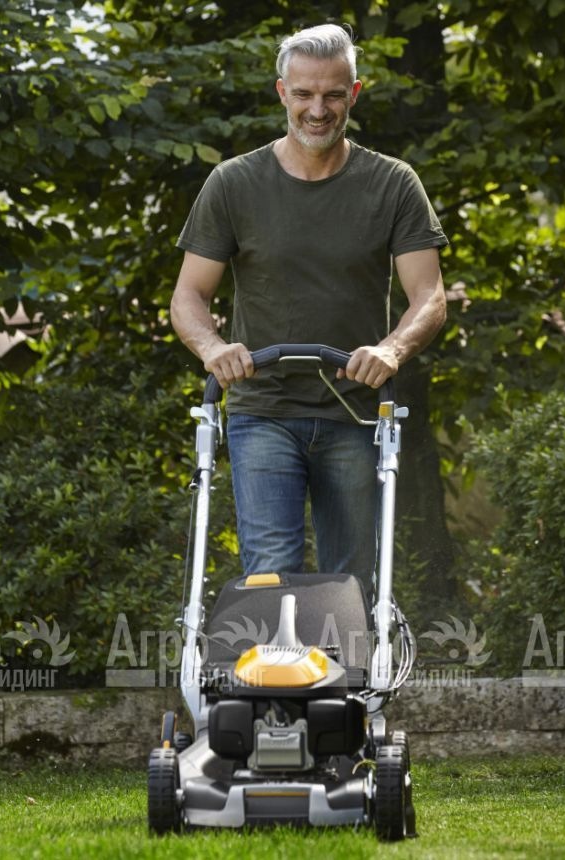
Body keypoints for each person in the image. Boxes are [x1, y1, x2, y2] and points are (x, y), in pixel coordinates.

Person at [170, 23, 447, 585]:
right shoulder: (233, 183)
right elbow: (189, 295)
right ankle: (278, 648)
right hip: (262, 410)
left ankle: (352, 648)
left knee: (351, 582)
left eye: (332, 95)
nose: (317, 110)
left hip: (355, 411)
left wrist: (392, 350)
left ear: (354, 94)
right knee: (270, 576)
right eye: (303, 94)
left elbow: (430, 296)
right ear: (282, 92)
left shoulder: (393, 184)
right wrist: (213, 348)